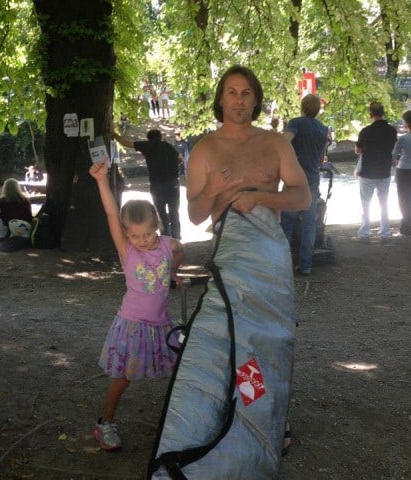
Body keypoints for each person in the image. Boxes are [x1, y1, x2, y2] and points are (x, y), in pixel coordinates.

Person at [150, 65, 309, 477]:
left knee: (275, 338)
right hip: (231, 258)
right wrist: (218, 190)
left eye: (245, 93)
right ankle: (242, 414)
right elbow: (196, 214)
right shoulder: (204, 149)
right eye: (231, 92)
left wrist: (259, 195)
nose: (238, 100)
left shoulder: (274, 143)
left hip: (271, 258)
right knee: (236, 336)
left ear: (255, 99)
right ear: (221, 99)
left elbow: (303, 196)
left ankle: (271, 414)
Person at [88, 158, 184, 451]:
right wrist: (102, 181)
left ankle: (184, 421)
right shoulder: (127, 250)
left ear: (158, 227)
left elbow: (180, 251)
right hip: (132, 325)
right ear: (126, 234)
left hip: (160, 325)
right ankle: (105, 423)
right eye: (134, 235)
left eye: (147, 234)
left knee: (180, 371)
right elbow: (109, 212)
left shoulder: (169, 245)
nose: (141, 241)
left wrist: (173, 273)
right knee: (124, 377)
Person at [280, 93, 330, 276]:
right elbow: (320, 159)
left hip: (293, 178)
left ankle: (284, 265)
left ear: (302, 107)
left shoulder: (296, 123)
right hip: (312, 179)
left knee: (287, 222)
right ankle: (306, 264)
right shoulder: (323, 129)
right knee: (309, 224)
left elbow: (285, 140)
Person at [113, 128, 182, 239]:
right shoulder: (167, 146)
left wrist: (113, 133)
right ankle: (177, 237)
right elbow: (179, 158)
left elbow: (124, 142)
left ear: (148, 138)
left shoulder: (146, 146)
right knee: (174, 211)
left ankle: (165, 237)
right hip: (172, 182)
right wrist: (171, 166)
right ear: (160, 137)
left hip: (157, 184)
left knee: (161, 212)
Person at [355, 101, 398, 243]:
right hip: (384, 170)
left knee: (365, 204)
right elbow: (393, 148)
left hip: (367, 171)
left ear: (370, 114)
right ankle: (385, 233)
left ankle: (364, 233)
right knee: (384, 203)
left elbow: (358, 150)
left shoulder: (365, 131)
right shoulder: (392, 131)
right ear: (383, 113)